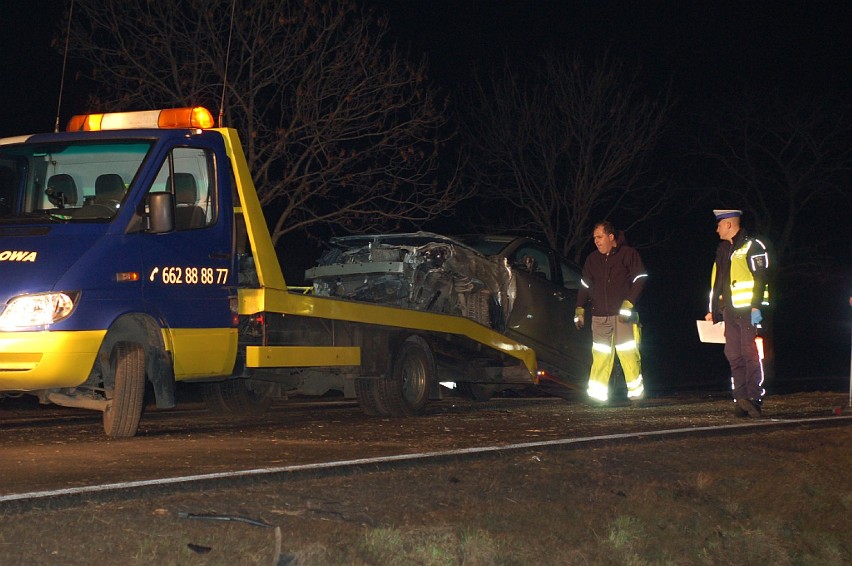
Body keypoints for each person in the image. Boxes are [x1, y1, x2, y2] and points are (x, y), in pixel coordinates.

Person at [705, 209, 771, 418]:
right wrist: (712, 310)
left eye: (719, 225)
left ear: (729, 225)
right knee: (734, 355)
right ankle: (741, 399)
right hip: (729, 311)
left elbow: (762, 277)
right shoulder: (723, 249)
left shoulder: (753, 246)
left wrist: (756, 305)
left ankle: (754, 398)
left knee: (750, 354)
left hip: (747, 310)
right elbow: (717, 284)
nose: (716, 230)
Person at [574, 221, 648, 403]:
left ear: (611, 237)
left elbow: (640, 278)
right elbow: (585, 285)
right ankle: (597, 398)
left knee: (629, 356)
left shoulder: (628, 254)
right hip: (599, 317)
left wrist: (629, 303)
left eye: (599, 237)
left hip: (623, 317)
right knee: (600, 357)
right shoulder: (592, 259)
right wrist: (579, 308)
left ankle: (636, 396)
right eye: (594, 239)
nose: (596, 242)